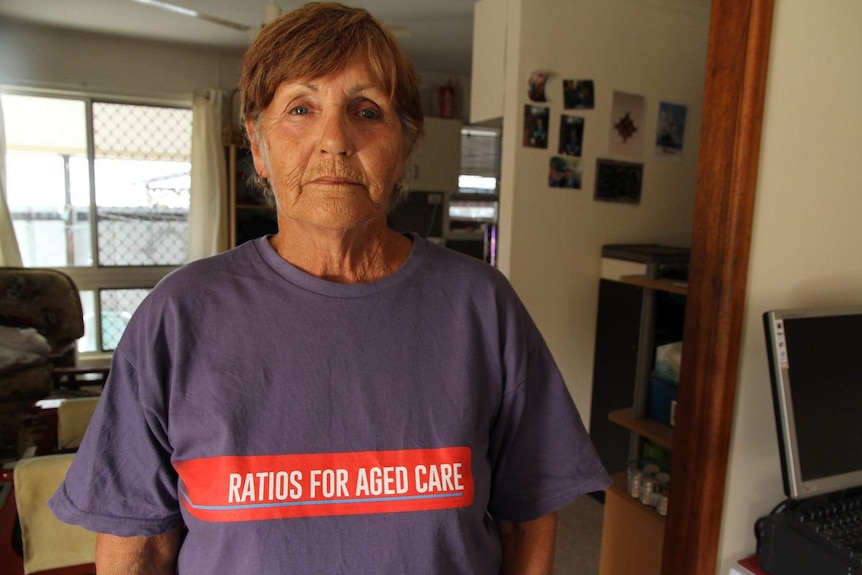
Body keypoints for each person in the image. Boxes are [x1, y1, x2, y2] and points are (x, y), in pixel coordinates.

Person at [49, 3, 609, 573]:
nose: (335, 140)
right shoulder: (176, 318)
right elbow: (137, 544)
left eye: (368, 111)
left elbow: (527, 519)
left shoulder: (484, 308)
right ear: (258, 146)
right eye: (300, 107)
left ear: (405, 145)